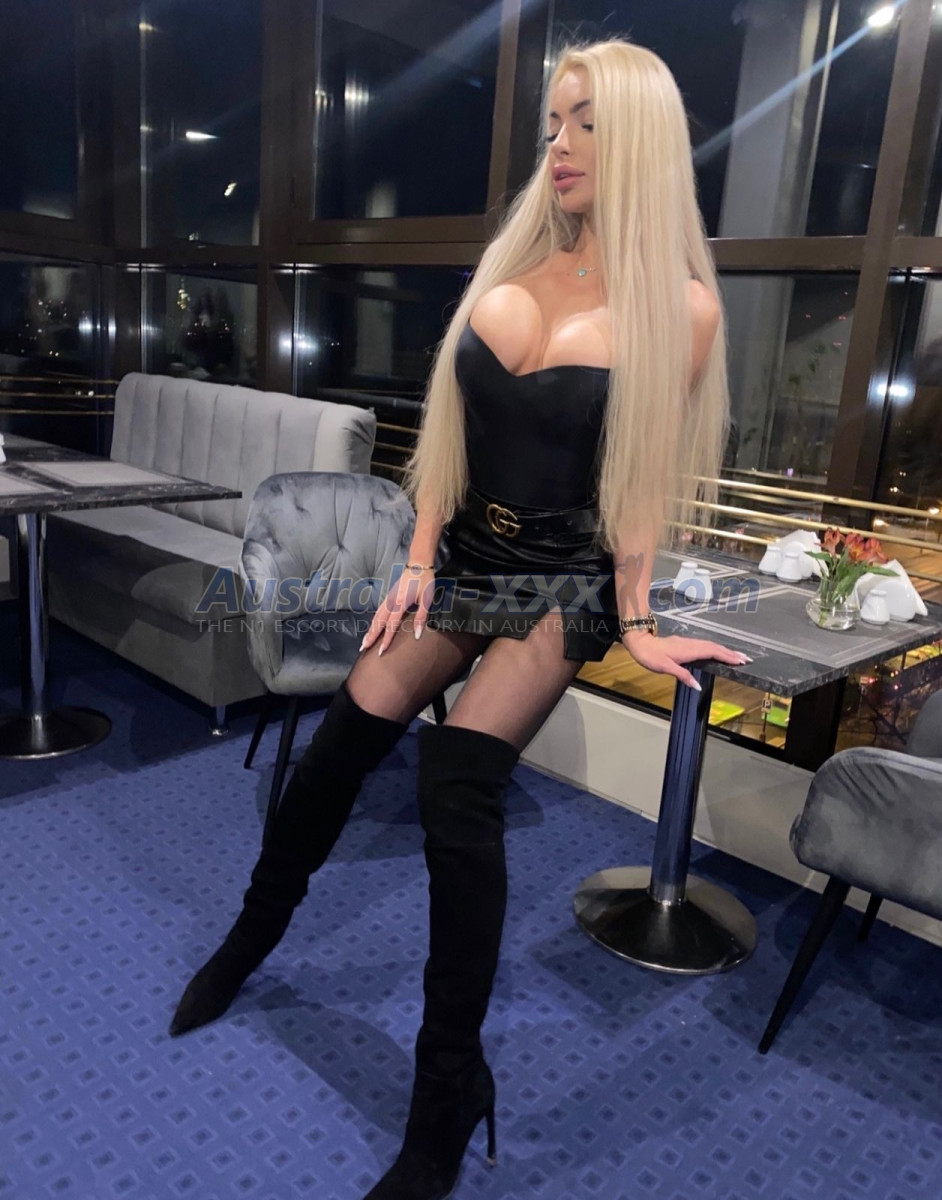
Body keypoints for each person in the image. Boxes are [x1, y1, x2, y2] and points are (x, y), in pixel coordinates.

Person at [169, 37, 749, 1200]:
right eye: (554, 122)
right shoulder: (513, 267)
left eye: (586, 122)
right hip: (468, 555)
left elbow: (638, 482)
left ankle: (446, 1091)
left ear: (637, 138)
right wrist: (418, 564)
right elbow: (448, 435)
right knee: (338, 749)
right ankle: (250, 939)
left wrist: (636, 618)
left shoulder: (679, 310)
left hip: (561, 580)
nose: (560, 144)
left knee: (457, 789)